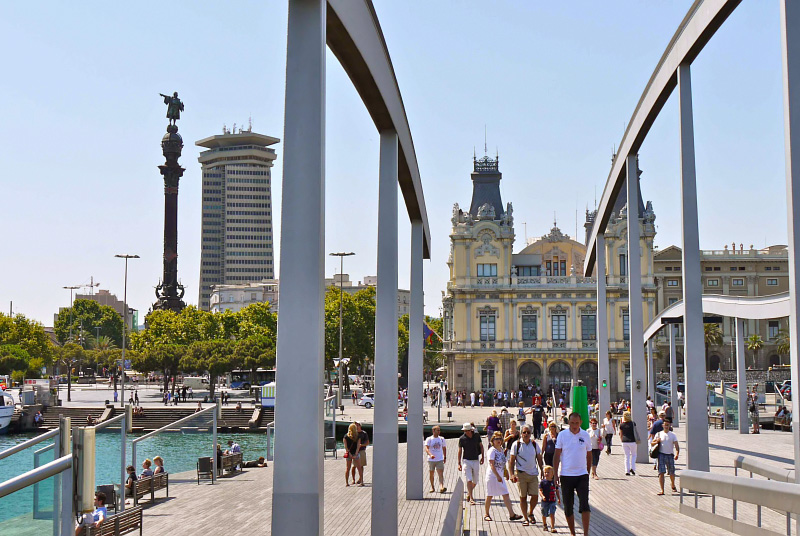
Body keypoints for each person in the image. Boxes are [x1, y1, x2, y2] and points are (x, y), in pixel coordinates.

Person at [553, 412, 592, 536]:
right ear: (568, 423)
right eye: (572, 423)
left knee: (585, 505)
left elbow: (589, 455)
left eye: (576, 423)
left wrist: (588, 472)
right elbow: (557, 455)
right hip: (566, 475)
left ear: (580, 422)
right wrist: (555, 474)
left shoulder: (585, 435)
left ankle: (586, 533)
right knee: (568, 507)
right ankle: (572, 533)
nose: (574, 425)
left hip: (582, 476)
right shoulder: (562, 435)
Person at [509, 424, 544, 527]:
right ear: (521, 433)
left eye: (528, 432)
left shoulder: (534, 444)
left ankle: (531, 512)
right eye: (524, 432)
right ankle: (525, 518)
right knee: (523, 497)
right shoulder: (516, 444)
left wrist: (542, 469)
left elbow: (539, 458)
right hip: (521, 474)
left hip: (533, 474)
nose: (526, 434)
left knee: (535, 496)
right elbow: (511, 461)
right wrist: (511, 474)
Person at [483, 431, 523, 522]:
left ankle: (512, 514)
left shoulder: (501, 449)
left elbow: (503, 462)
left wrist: (506, 472)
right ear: (493, 440)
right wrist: (497, 476)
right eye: (496, 439)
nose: (499, 441)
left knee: (505, 493)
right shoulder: (492, 450)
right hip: (492, 476)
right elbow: (492, 464)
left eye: (500, 439)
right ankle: (486, 514)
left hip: (500, 475)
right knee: (490, 495)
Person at [457, 422, 484, 505]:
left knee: (475, 480)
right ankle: (471, 498)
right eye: (465, 431)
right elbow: (460, 450)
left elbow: (481, 446)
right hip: (466, 460)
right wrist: (459, 463)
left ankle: (469, 493)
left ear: (471, 430)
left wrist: (483, 457)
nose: (467, 432)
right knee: (469, 479)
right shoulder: (462, 439)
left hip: (475, 459)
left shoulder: (476, 436)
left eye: (468, 430)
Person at [652, 418, 679, 495]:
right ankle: (662, 490)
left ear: (669, 425)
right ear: (662, 425)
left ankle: (673, 484)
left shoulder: (673, 435)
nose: (666, 426)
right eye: (665, 425)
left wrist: (677, 453)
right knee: (661, 472)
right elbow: (652, 443)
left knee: (671, 473)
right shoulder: (659, 434)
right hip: (661, 454)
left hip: (670, 455)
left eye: (668, 425)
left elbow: (676, 445)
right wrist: (657, 441)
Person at [539, 465, 562, 533]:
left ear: (552, 474)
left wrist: (559, 498)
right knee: (544, 513)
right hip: (545, 501)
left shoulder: (554, 482)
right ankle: (544, 524)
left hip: (552, 500)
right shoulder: (543, 482)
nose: (546, 474)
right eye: (545, 472)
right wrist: (542, 496)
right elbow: (540, 490)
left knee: (552, 513)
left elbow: (557, 491)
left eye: (548, 472)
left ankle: (552, 527)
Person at [425, 425, 447, 493]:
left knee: (440, 473)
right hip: (431, 460)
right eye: (437, 430)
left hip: (439, 459)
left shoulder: (442, 439)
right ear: (433, 431)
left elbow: (444, 448)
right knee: (431, 473)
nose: (439, 431)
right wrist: (430, 454)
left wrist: (445, 456)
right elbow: (426, 448)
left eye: (439, 430)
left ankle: (441, 487)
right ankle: (432, 487)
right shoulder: (429, 439)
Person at [619, 411, 639, 476]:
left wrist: (621, 440)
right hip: (632, 441)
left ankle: (626, 471)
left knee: (626, 456)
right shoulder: (633, 423)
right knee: (634, 455)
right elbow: (635, 432)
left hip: (624, 441)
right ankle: (632, 468)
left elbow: (621, 434)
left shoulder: (621, 425)